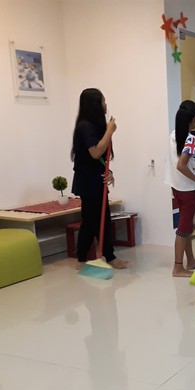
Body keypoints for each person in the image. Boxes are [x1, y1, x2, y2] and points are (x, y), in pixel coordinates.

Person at [71, 88, 128, 270]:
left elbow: (99, 158)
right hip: (87, 181)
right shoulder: (85, 126)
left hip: (97, 179)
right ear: (94, 104)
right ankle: (85, 259)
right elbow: (95, 152)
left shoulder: (95, 126)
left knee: (101, 219)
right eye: (103, 101)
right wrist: (109, 132)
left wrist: (107, 171)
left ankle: (106, 256)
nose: (106, 104)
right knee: (91, 221)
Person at [165, 100, 195, 278]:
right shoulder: (190, 139)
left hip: (177, 187)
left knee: (187, 225)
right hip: (188, 189)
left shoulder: (174, 135)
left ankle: (190, 261)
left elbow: (180, 163)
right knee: (183, 229)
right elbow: (181, 165)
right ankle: (177, 267)